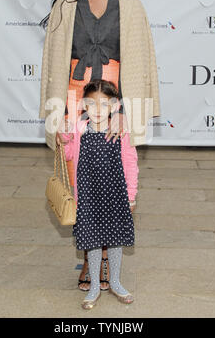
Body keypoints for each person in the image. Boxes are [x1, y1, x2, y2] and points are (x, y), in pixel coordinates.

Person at [39, 0, 161, 292]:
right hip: (75, 100)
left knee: (116, 182)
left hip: (114, 102)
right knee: (82, 183)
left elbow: (139, 62)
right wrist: (59, 110)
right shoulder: (64, 4)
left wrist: (124, 110)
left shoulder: (129, 2)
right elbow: (54, 64)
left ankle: (108, 259)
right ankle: (91, 258)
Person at [58, 79, 139, 310]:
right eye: (92, 105)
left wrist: (131, 196)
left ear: (114, 107)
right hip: (88, 195)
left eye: (104, 106)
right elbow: (68, 155)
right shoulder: (79, 128)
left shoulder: (120, 130)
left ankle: (115, 282)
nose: (97, 111)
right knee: (92, 241)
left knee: (115, 241)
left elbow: (131, 164)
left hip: (115, 195)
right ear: (84, 105)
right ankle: (94, 286)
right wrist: (64, 139)